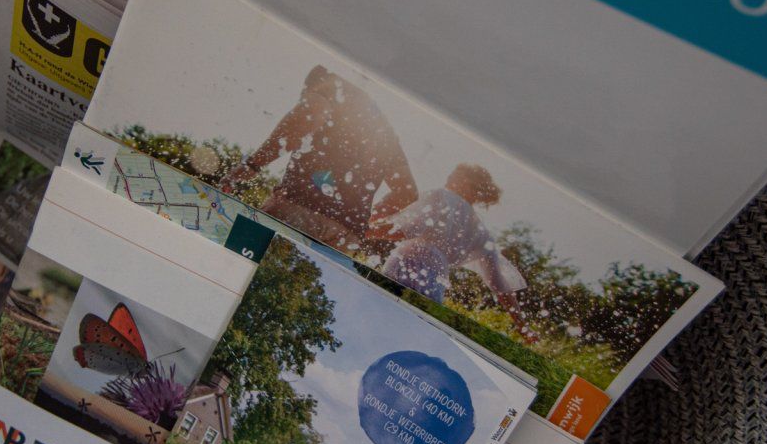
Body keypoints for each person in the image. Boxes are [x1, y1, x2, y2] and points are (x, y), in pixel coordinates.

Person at [221, 65, 417, 252]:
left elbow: (312, 112)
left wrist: (254, 164)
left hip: (300, 208)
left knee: (236, 263)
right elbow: (407, 193)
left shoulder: (333, 82)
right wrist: (363, 220)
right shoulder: (385, 129)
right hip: (346, 236)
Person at [369, 163, 534, 340]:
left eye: (453, 175)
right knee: (407, 331)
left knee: (377, 315)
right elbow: (499, 285)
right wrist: (522, 326)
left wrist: (364, 228)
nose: (447, 179)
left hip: (408, 262)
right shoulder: (482, 233)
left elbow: (405, 229)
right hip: (436, 280)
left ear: (465, 182)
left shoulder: (441, 196)